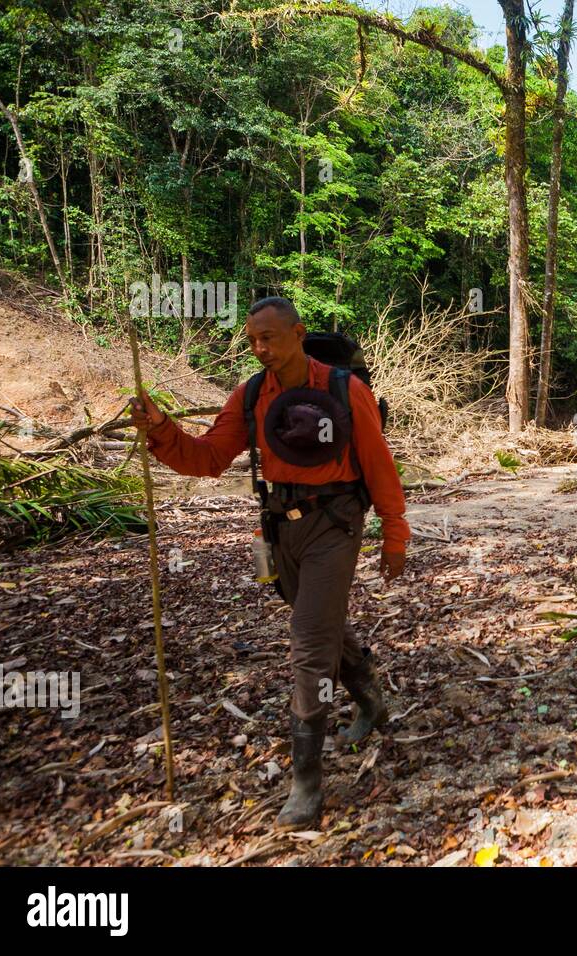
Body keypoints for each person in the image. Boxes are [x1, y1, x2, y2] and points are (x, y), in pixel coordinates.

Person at [130, 296, 410, 828]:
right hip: (280, 527)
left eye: (270, 337)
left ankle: (306, 783)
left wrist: (394, 533)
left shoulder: (345, 390)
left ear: (298, 333)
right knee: (320, 623)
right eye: (253, 340)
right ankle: (369, 694)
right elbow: (209, 458)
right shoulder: (252, 394)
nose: (260, 348)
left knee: (308, 643)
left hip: (336, 525)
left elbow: (379, 463)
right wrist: (161, 427)